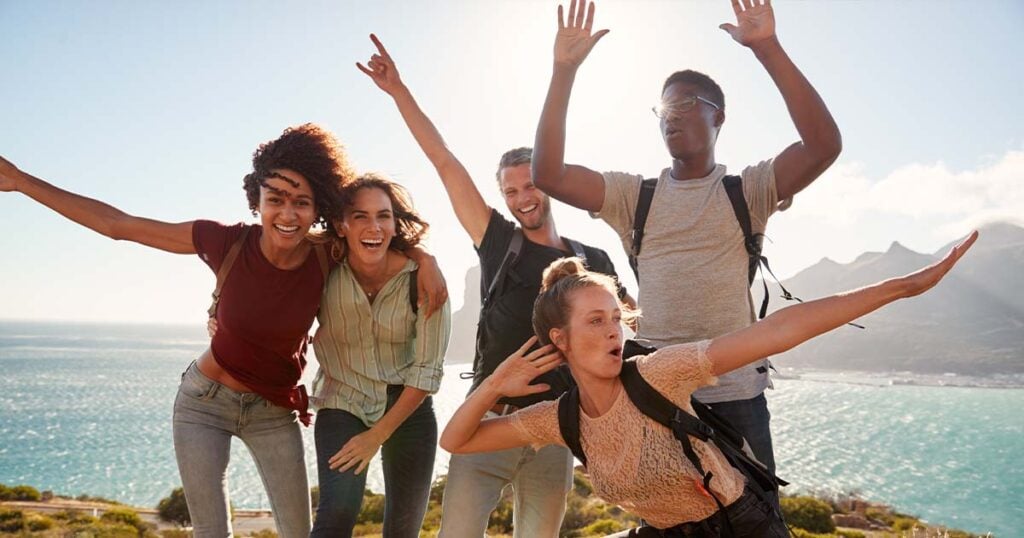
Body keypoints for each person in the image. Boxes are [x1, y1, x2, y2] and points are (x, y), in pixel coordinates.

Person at [0, 124, 447, 538]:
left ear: (318, 209)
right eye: (275, 199)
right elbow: (119, 226)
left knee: (299, 530)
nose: (287, 214)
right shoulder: (225, 242)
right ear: (257, 201)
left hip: (273, 411)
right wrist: (21, 181)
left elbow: (376, 235)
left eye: (301, 202)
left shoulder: (325, 254)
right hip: (203, 403)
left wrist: (427, 261)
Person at [440, 231, 977, 537]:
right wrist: (493, 384)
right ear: (560, 340)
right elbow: (457, 441)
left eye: (616, 318)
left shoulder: (657, 373)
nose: (613, 333)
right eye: (594, 322)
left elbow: (780, 330)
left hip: (740, 527)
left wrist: (904, 286)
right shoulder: (560, 418)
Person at [530, 0, 843, 515]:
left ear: (717, 115)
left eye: (683, 106)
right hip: (656, 400)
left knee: (755, 525)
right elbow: (549, 173)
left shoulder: (751, 190)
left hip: (737, 398)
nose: (669, 120)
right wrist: (564, 70)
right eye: (662, 112)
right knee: (674, 526)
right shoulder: (635, 197)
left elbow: (824, 144)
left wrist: (766, 47)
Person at [357, 34, 634, 538]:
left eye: (530, 185)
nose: (522, 199)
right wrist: (398, 92)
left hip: (555, 430)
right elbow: (444, 161)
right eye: (510, 191)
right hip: (488, 425)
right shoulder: (499, 241)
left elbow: (627, 341)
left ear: (547, 184)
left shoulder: (594, 260)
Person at [308, 173, 451, 538]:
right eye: (360, 216)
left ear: (393, 222)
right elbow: (270, 273)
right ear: (341, 225)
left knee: (403, 530)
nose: (374, 227)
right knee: (336, 513)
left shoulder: (423, 279)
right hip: (342, 399)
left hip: (408, 407)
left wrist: (377, 435)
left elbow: (427, 371)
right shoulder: (322, 269)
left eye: (383, 216)